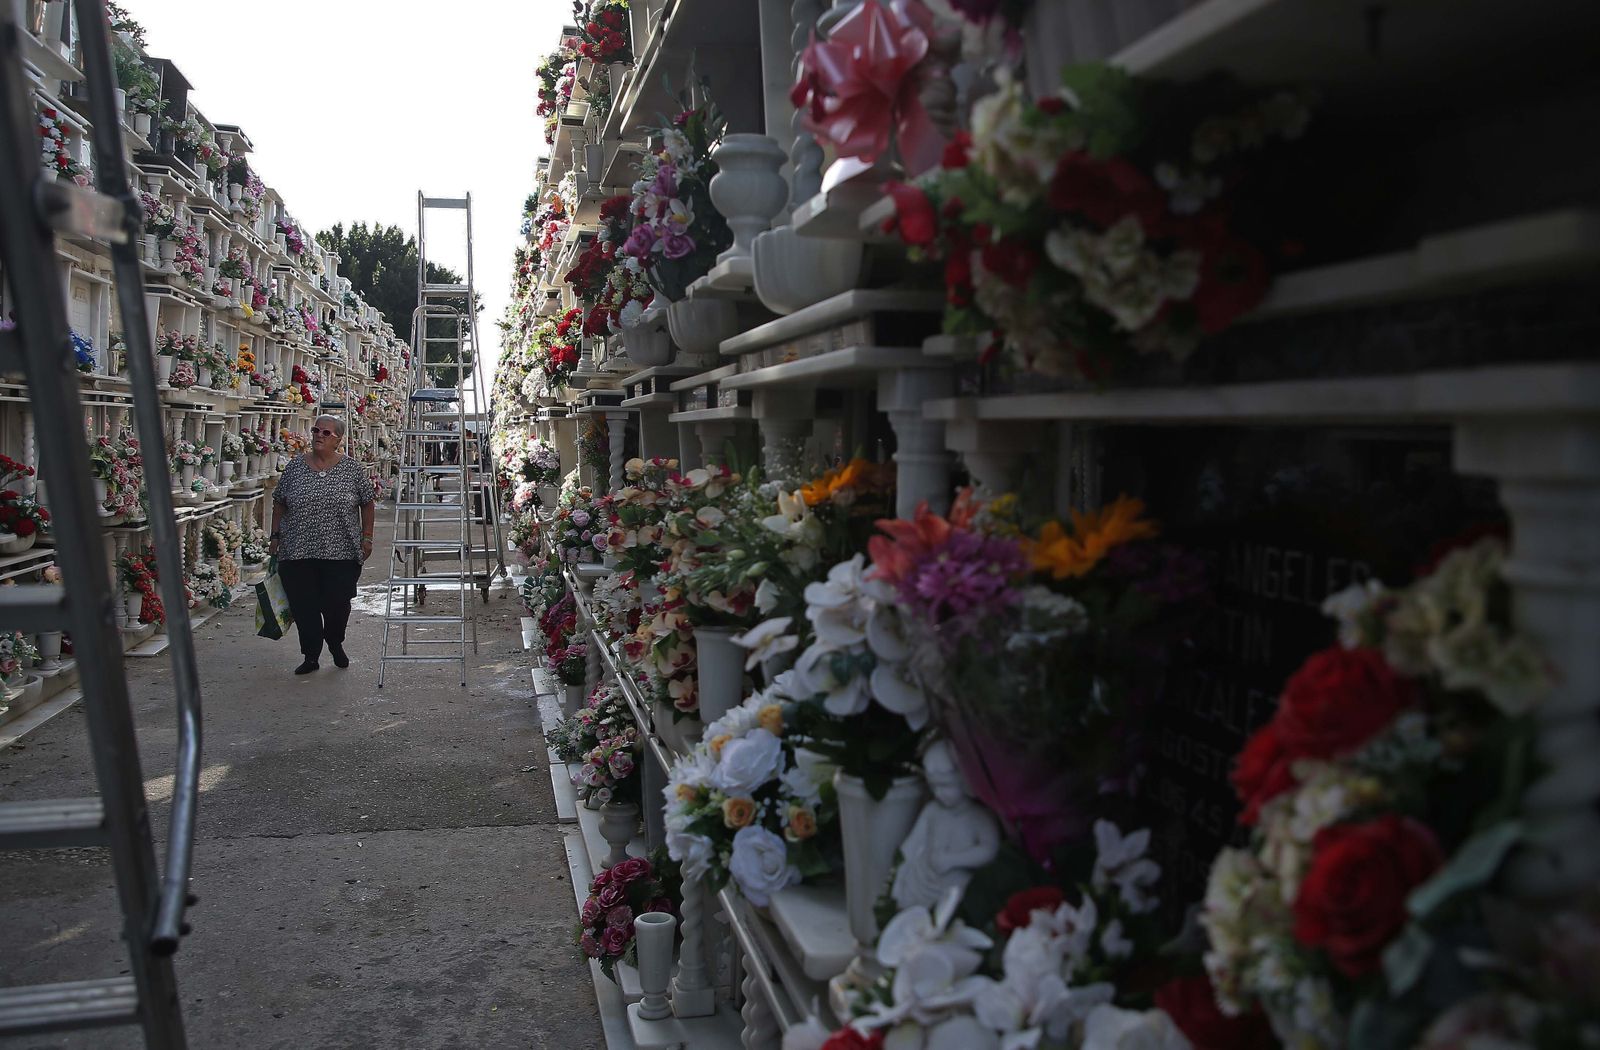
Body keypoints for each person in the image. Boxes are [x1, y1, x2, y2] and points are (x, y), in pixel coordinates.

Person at [268, 415, 375, 675]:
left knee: (337, 604)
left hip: (341, 551)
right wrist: (275, 536)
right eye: (316, 430)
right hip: (297, 550)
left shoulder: (351, 469)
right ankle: (311, 655)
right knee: (304, 607)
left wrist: (367, 536)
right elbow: (280, 502)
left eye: (326, 433)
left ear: (338, 440)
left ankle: (335, 641)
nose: (319, 436)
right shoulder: (295, 467)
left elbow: (367, 502)